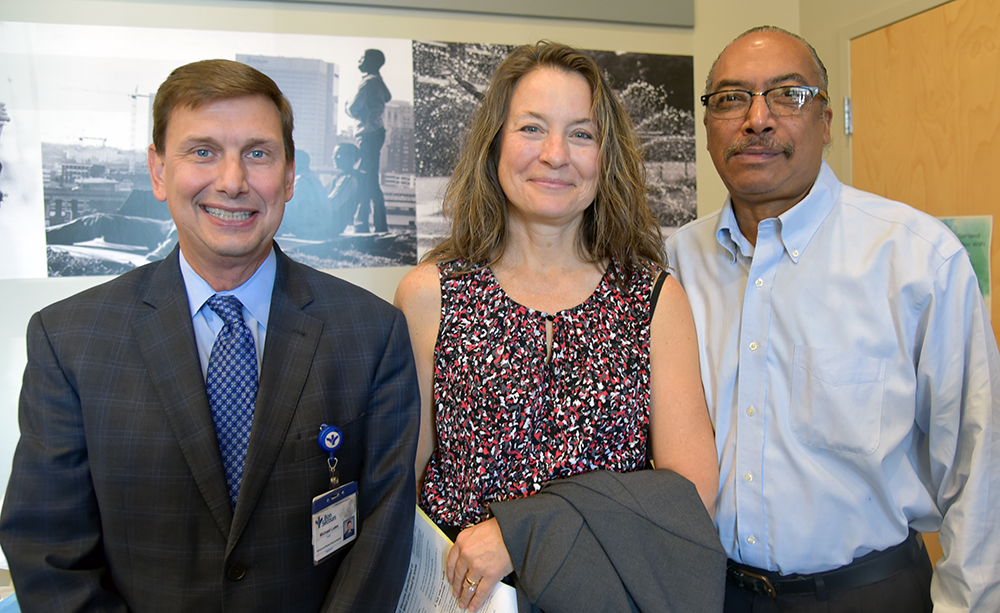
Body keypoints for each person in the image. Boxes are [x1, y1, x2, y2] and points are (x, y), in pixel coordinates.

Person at [0, 59, 419, 612]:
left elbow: (382, 537)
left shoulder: (373, 334)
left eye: (258, 154)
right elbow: (49, 550)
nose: (232, 181)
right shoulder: (68, 340)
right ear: (158, 172)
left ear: (289, 175)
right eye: (202, 151)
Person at [665, 25, 1000, 613]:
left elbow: (980, 466)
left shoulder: (916, 259)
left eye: (788, 95)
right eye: (731, 98)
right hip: (713, 593)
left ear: (825, 120)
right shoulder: (674, 265)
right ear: (709, 125)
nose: (757, 119)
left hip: (868, 594)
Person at [395, 41, 721, 612]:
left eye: (581, 134)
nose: (555, 155)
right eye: (531, 128)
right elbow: (399, 487)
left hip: (608, 599)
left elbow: (691, 495)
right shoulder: (430, 296)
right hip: (466, 602)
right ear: (495, 144)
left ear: (605, 157)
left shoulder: (653, 299)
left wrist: (522, 533)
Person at [347, 48, 391, 234]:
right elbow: (388, 96)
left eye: (363, 57)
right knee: (370, 180)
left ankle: (362, 223)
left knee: (366, 179)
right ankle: (374, 223)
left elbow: (352, 107)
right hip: (376, 132)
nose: (359, 60)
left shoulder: (367, 83)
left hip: (367, 134)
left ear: (371, 62)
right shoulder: (378, 81)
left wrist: (347, 105)